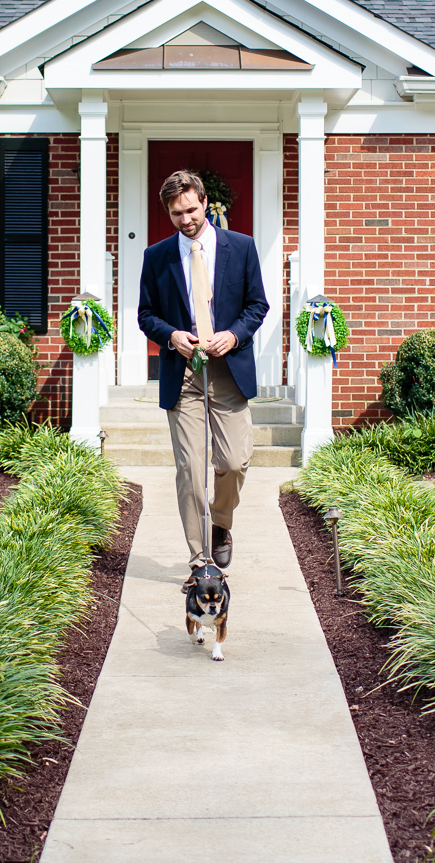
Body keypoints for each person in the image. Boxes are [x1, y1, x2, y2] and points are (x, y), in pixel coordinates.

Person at [136, 169, 269, 571]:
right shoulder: (156, 257)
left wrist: (233, 335)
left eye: (191, 210)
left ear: (205, 202)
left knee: (232, 463)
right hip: (183, 373)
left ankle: (221, 524)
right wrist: (172, 335)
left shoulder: (241, 247)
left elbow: (256, 306)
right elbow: (146, 315)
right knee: (190, 471)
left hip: (228, 368)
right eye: (177, 214)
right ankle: (200, 560)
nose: (186, 219)